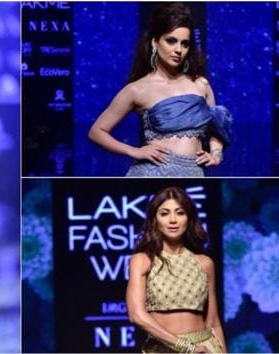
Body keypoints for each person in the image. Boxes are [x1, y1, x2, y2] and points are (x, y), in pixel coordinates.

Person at [88, 3, 232, 177]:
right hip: (153, 171)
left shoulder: (201, 84)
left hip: (194, 172)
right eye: (171, 41)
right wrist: (133, 151)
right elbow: (96, 132)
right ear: (155, 42)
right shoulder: (137, 89)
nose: (178, 50)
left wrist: (216, 154)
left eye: (184, 44)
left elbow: (216, 127)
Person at [126, 186, 227, 353]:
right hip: (164, 348)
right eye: (164, 213)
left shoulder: (204, 263)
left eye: (180, 213)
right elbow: (136, 315)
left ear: (189, 218)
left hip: (205, 348)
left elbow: (213, 322)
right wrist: (186, 347)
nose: (173, 220)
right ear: (154, 220)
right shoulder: (143, 260)